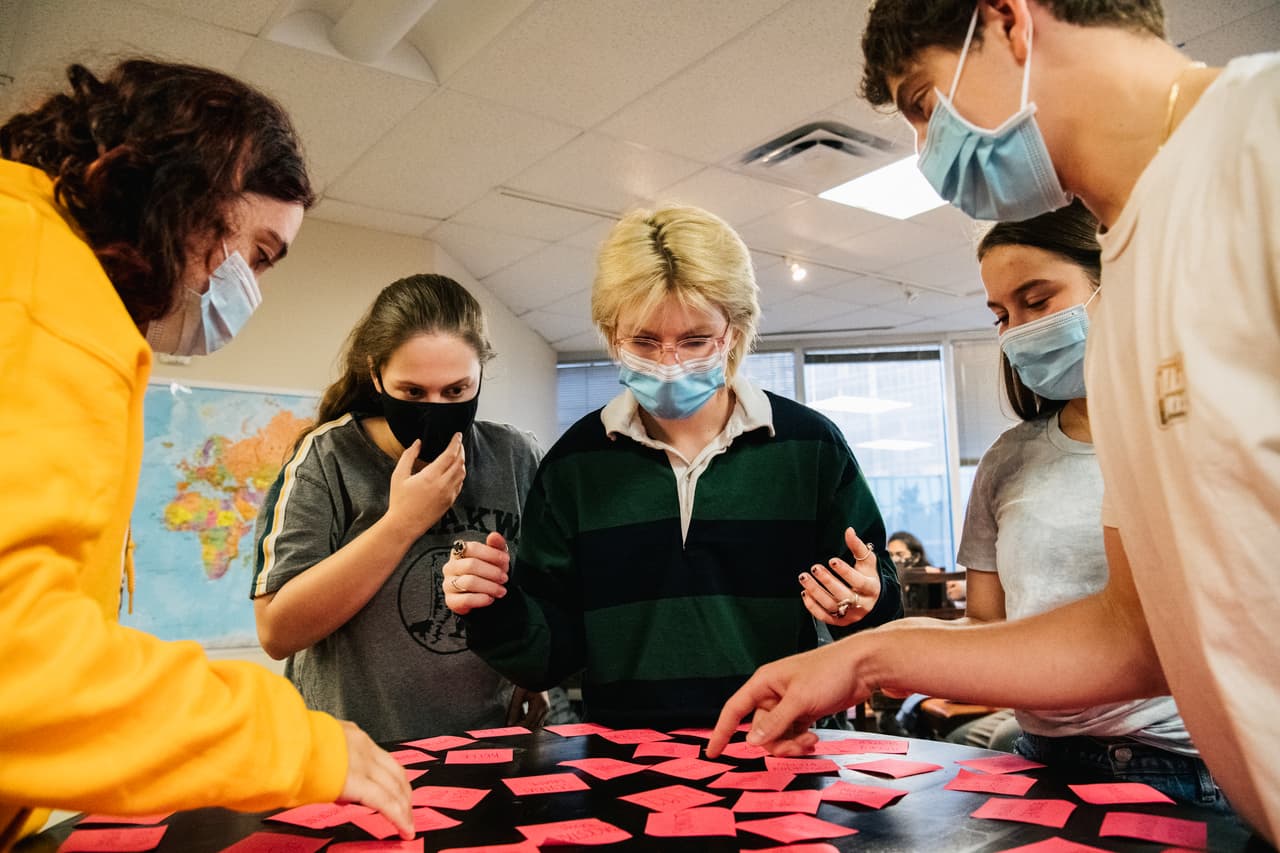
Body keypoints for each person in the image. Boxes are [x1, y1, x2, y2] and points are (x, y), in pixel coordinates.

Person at [709, 1, 1278, 842]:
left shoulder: (1259, 139)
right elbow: (1131, 630)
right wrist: (864, 654)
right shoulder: (1122, 306)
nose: (924, 149)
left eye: (921, 103)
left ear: (1009, 21)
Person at [0, 59, 412, 849]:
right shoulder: (47, 295)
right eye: (257, 253)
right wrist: (296, 743)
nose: (248, 288)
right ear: (190, 191)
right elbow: (21, 659)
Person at [442, 204, 902, 728]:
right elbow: (550, 657)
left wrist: (868, 602)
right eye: (644, 341)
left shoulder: (809, 447)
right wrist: (490, 605)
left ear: (733, 331)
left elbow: (874, 605)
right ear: (611, 333)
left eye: (694, 340)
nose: (668, 363)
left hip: (778, 753)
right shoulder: (576, 463)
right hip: (625, 769)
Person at [957, 201, 1221, 807]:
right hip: (1040, 758)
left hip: (1185, 768)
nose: (1018, 330)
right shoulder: (1007, 459)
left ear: (1113, 283)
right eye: (1001, 314)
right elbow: (986, 628)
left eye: (1038, 300)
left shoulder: (1190, 429)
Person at [251, 274, 547, 743]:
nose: (436, 407)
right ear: (376, 375)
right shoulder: (327, 459)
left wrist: (535, 669)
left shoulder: (515, 455)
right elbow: (277, 631)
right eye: (412, 392)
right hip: (354, 750)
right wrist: (402, 523)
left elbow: (550, 594)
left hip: (487, 743)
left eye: (456, 391)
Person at [888, 530, 963, 606]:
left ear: (916, 557)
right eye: (890, 555)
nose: (894, 559)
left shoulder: (931, 578)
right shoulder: (886, 580)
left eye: (900, 554)